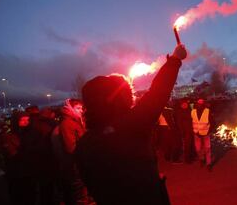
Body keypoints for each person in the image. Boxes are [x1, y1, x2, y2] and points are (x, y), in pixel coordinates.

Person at [75, 44, 187, 205]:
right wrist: (175, 60)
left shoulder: (84, 144)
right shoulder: (130, 126)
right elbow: (157, 93)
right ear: (117, 99)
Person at [52, 98, 93, 205]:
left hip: (80, 163)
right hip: (75, 166)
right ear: (70, 108)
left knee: (84, 192)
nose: (81, 110)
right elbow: (70, 147)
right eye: (78, 108)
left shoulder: (76, 121)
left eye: (81, 108)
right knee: (80, 195)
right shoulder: (67, 123)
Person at [191, 98, 214, 171]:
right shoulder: (193, 111)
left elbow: (213, 122)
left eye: (201, 104)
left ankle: (208, 163)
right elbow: (191, 122)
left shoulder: (207, 111)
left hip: (205, 133)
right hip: (196, 134)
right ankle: (201, 159)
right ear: (196, 104)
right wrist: (193, 131)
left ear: (203, 104)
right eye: (198, 104)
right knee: (198, 149)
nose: (200, 105)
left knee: (207, 149)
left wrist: (209, 131)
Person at [174, 99, 195, 163]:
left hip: (191, 130)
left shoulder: (189, 110)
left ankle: (191, 157)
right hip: (185, 131)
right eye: (184, 104)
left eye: (186, 104)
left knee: (191, 144)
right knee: (187, 145)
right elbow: (179, 123)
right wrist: (182, 131)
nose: (185, 105)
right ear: (181, 105)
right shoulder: (179, 112)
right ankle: (187, 159)